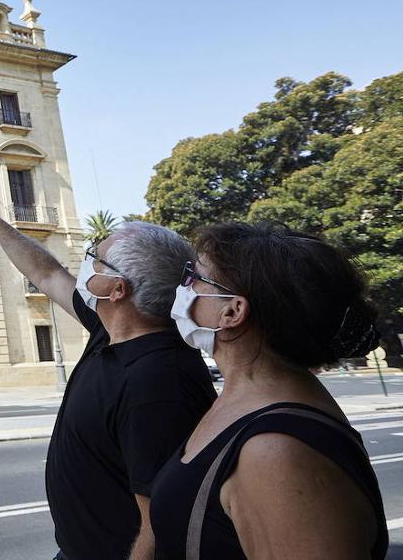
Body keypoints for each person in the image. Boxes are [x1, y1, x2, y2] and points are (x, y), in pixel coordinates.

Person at [0, 182, 215, 560]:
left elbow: (161, 523)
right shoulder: (111, 329)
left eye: (96, 257)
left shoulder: (158, 382)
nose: (86, 261)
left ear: (117, 289)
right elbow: (47, 275)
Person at [150, 222, 387, 559]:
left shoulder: (278, 452)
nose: (183, 286)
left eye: (195, 277)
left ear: (232, 311)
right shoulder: (246, 399)